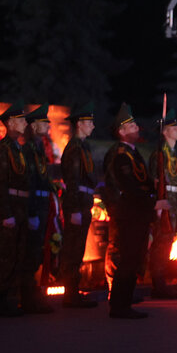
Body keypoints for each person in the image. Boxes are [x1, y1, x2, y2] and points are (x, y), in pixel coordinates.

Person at [103, 104, 167, 319]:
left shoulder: (132, 152)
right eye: (131, 125)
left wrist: (155, 184)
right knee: (128, 259)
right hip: (129, 212)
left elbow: (142, 180)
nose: (136, 127)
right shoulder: (120, 154)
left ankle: (125, 302)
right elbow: (129, 186)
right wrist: (153, 204)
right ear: (121, 131)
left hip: (137, 212)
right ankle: (119, 305)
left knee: (135, 258)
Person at [0, 101, 43, 317]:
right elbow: (0, 185)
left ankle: (13, 299)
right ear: (10, 123)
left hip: (21, 206)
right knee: (7, 255)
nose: (24, 123)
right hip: (11, 207)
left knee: (20, 253)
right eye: (20, 120)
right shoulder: (3, 150)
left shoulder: (17, 148)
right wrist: (6, 214)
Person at [59, 102, 99, 308]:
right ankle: (70, 294)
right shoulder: (75, 148)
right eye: (89, 122)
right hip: (77, 204)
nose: (93, 126)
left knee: (78, 248)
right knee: (73, 249)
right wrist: (74, 209)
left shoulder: (83, 146)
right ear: (80, 124)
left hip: (83, 203)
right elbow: (73, 180)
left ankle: (73, 292)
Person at [147, 110, 177, 300]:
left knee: (167, 241)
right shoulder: (159, 154)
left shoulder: (171, 153)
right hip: (164, 201)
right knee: (161, 243)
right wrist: (158, 202)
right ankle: (158, 283)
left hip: (172, 201)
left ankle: (161, 281)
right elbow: (155, 181)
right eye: (174, 127)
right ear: (165, 132)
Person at [22, 104, 57, 313]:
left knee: (37, 252)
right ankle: (28, 299)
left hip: (42, 203)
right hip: (35, 204)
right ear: (34, 126)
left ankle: (33, 296)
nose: (48, 125)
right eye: (44, 122)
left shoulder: (38, 148)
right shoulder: (28, 150)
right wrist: (32, 212)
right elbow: (29, 182)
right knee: (31, 252)